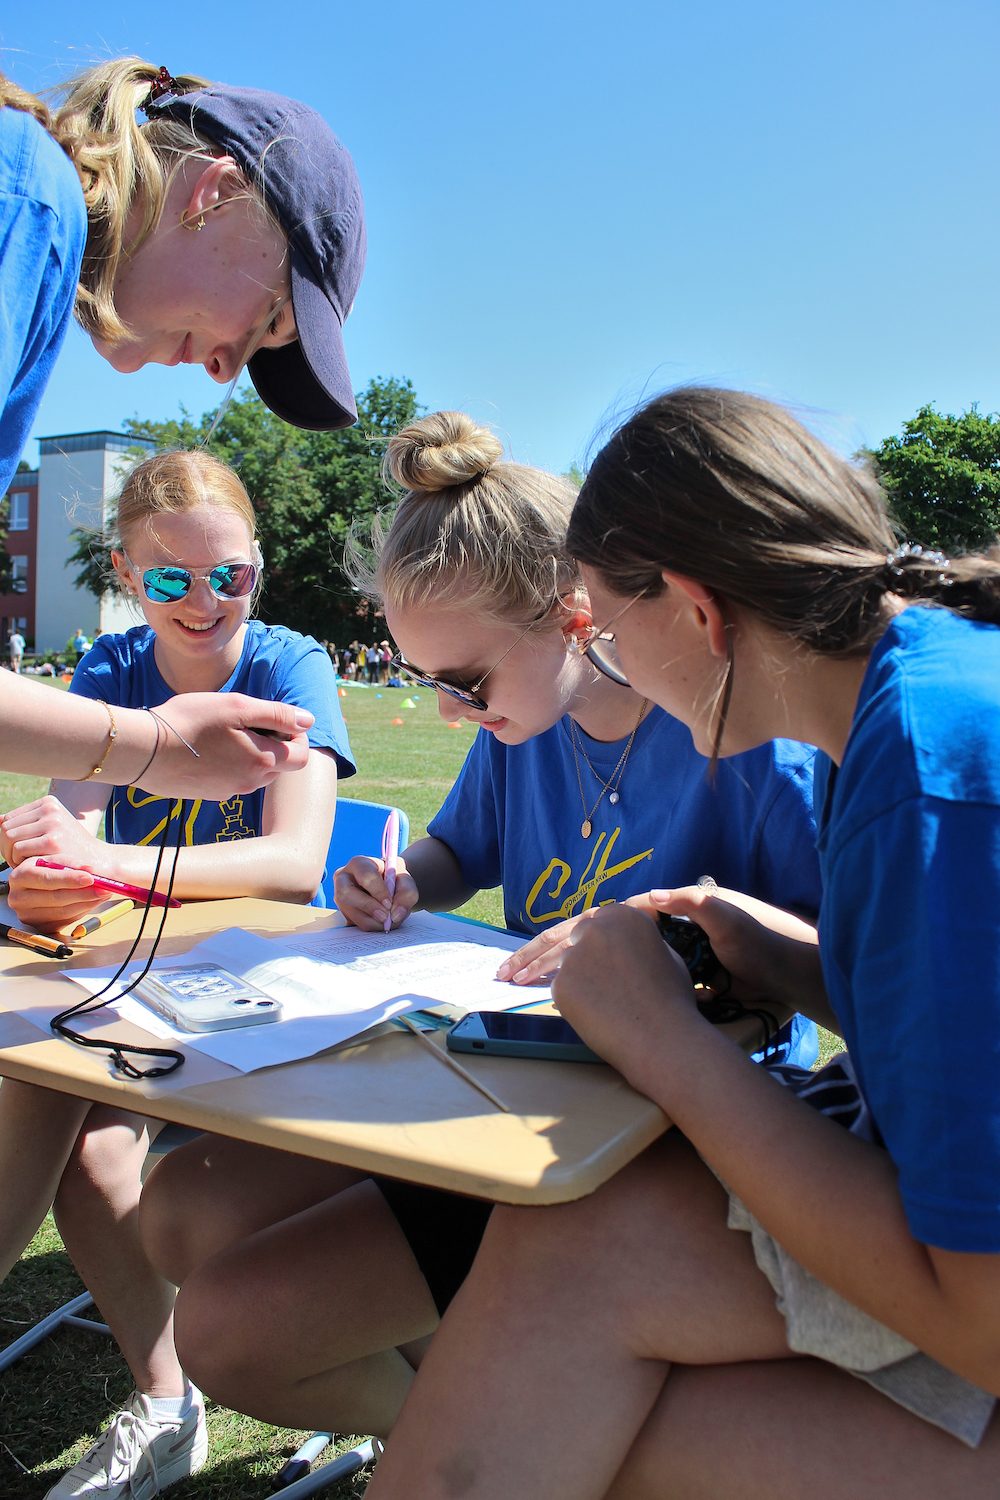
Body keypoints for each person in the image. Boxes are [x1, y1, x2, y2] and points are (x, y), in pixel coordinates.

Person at [137, 410, 822, 1448]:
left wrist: (670, 933)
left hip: (660, 1139)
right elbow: (459, 852)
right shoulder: (524, 729)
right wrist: (400, 878)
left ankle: (481, 1441)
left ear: (572, 616)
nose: (454, 713)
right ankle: (479, 1421)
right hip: (512, 1086)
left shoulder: (745, 740)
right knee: (187, 1198)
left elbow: (829, 966)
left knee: (233, 1329)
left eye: (464, 683)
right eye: (426, 686)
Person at [362, 388, 1000, 1500]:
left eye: (604, 630)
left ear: (699, 614)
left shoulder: (927, 780)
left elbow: (979, 1315)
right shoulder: (926, 684)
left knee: (553, 1416)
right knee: (560, 1287)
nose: (606, 668)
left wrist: (664, 1039)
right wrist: (793, 961)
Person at [0, 448, 354, 1500]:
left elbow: (292, 869)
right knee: (83, 1150)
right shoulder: (112, 672)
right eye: (169, 581)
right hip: (130, 987)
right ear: (125, 573)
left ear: (260, 568)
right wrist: (50, 878)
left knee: (40, 1088)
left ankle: (172, 1394)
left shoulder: (291, 666)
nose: (204, 604)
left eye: (228, 576)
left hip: (257, 999)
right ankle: (166, 1403)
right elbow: (61, 843)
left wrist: (104, 866)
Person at [0, 53, 365, 786]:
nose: (229, 371)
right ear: (218, 194)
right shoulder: (29, 198)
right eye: (268, 318)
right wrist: (156, 748)